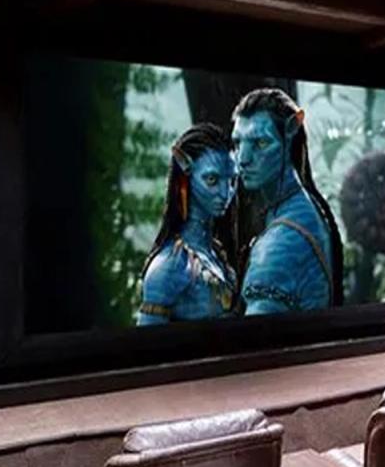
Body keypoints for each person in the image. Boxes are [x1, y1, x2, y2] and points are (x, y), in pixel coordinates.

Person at [230, 88, 343, 314]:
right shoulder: (306, 207)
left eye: (261, 143)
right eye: (238, 143)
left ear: (290, 131)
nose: (242, 159)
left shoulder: (277, 247)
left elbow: (257, 335)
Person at [136, 123, 238, 324]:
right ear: (186, 177)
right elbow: (145, 342)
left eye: (232, 181)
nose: (226, 193)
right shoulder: (170, 266)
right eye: (212, 180)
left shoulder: (216, 254)